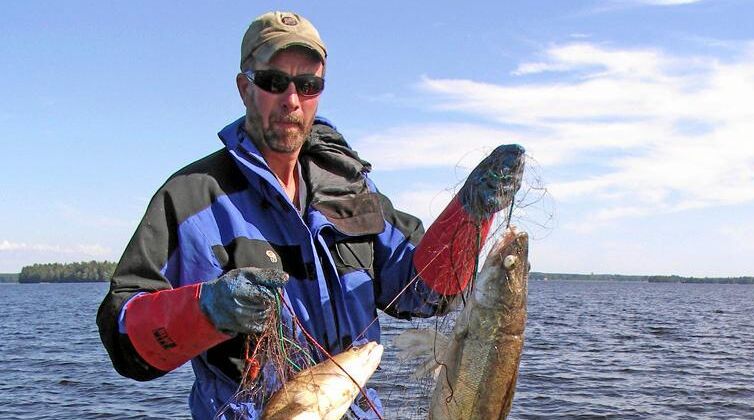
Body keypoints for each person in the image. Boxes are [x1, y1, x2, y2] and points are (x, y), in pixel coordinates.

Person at [96, 10, 525, 419]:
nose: (291, 100)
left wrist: (469, 215)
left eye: (307, 85)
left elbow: (425, 291)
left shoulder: (351, 188)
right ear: (245, 88)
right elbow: (124, 340)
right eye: (273, 81)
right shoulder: (191, 198)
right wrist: (204, 310)